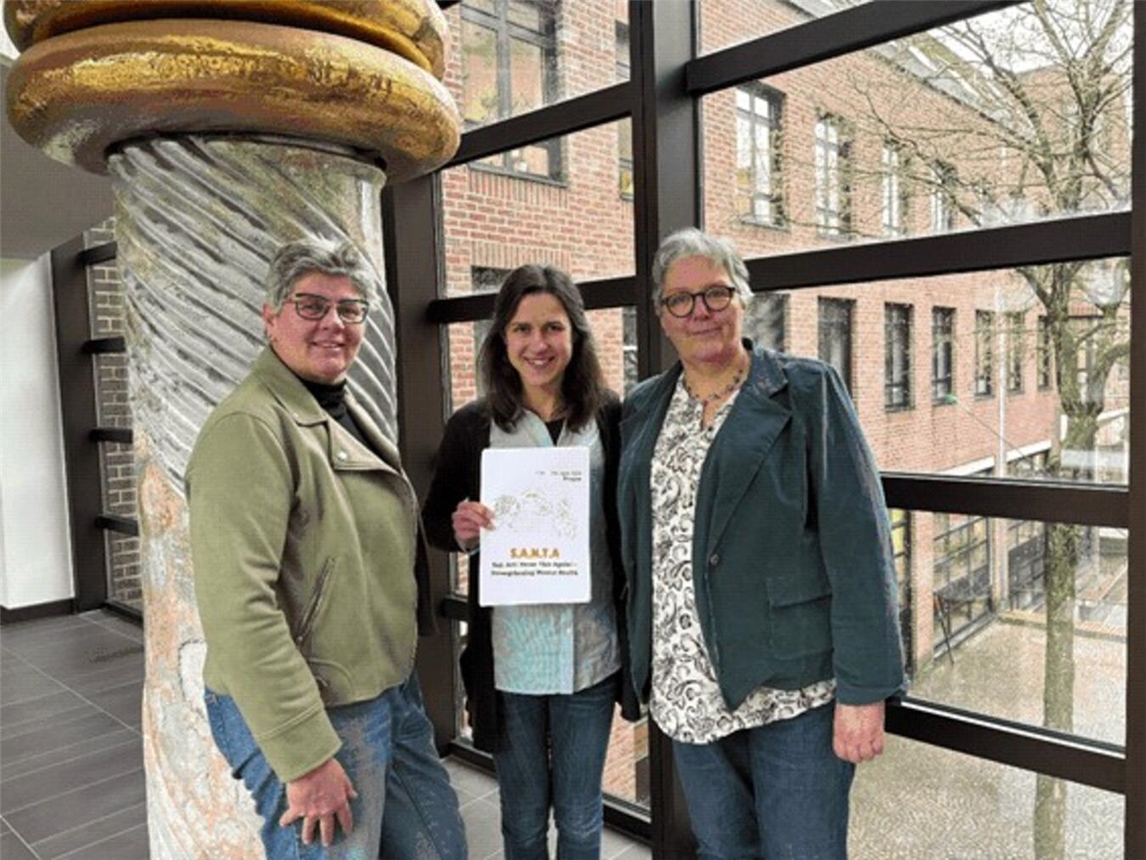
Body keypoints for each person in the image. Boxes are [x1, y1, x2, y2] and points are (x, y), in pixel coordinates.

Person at [617, 228, 906, 859]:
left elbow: (860, 545)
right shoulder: (642, 407)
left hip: (792, 690)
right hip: (687, 687)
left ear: (743, 299)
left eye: (716, 293)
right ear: (662, 315)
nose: (700, 312)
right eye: (681, 300)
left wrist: (865, 690)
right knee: (724, 852)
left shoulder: (805, 390)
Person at [187, 239, 466, 859]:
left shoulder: (341, 407)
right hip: (314, 706)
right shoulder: (249, 428)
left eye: (349, 308)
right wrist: (305, 755)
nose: (333, 323)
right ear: (270, 317)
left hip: (383, 686)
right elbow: (238, 607)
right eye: (311, 306)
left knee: (439, 847)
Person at [422, 264, 640, 860]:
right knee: (520, 822)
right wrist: (461, 528)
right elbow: (435, 521)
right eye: (522, 329)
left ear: (576, 335)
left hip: (590, 653)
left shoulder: (610, 417)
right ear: (502, 338)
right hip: (510, 661)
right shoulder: (473, 427)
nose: (537, 344)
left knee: (581, 819)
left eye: (552, 327)